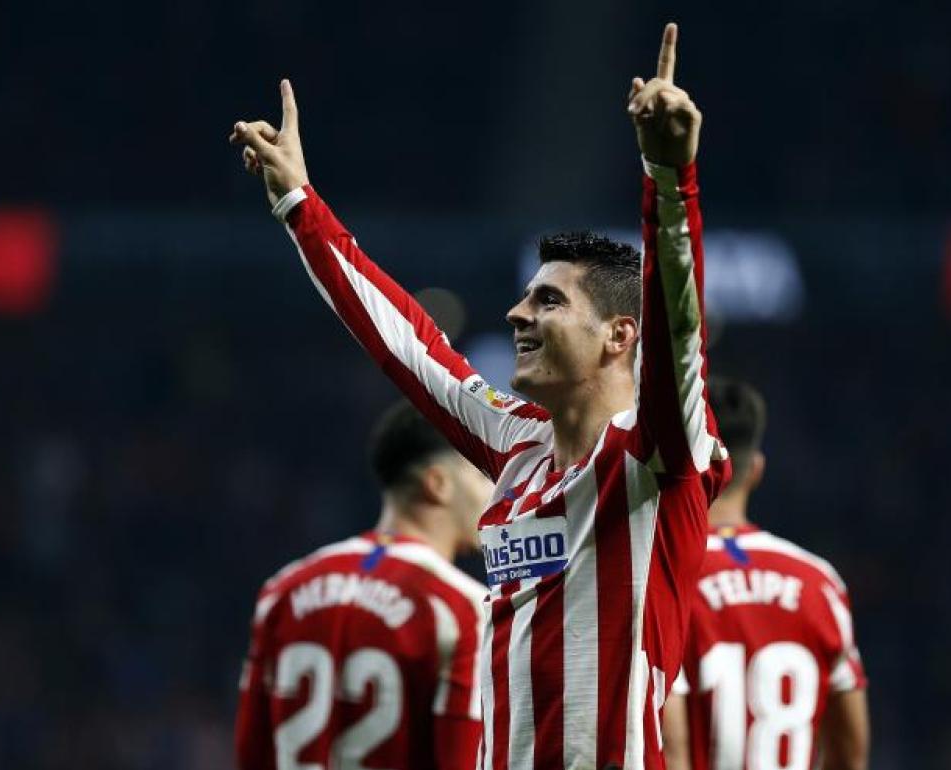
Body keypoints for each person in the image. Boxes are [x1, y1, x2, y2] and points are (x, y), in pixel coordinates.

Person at [230, 22, 730, 770]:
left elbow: (680, 333)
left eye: (550, 303)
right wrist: (302, 207)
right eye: (525, 299)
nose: (517, 314)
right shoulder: (516, 445)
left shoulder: (657, 453)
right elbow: (407, 346)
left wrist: (669, 180)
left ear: (620, 336)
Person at [235, 402, 492, 770]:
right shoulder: (460, 608)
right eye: (482, 475)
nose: (496, 491)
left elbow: (251, 753)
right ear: (438, 484)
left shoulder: (283, 590)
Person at [660, 378, 869, 770]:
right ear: (755, 470)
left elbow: (672, 750)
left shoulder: (667, 579)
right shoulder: (821, 583)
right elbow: (851, 756)